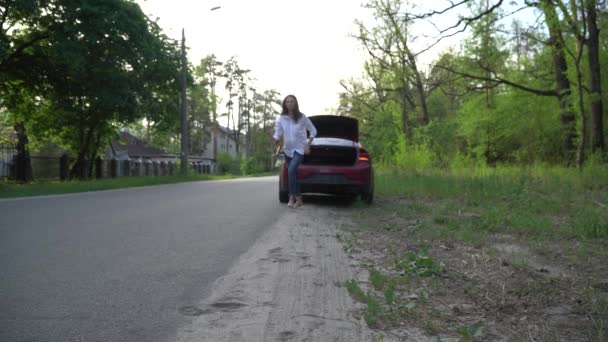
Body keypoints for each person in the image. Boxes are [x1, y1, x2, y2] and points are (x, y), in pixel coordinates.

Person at [272, 94, 317, 208]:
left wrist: (308, 145)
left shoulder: (302, 117)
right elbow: (278, 132)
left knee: (291, 170)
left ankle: (291, 198)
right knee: (294, 174)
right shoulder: (282, 118)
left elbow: (313, 130)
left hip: (299, 149)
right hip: (287, 150)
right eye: (287, 102)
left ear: (296, 103)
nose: (290, 103)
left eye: (292, 101)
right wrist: (276, 139)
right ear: (285, 104)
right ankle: (299, 199)